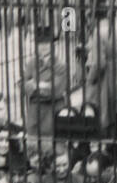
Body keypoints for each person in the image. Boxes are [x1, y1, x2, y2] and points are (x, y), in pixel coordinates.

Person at [22, 25, 80, 155]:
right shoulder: (31, 64)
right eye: (40, 43)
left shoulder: (61, 66)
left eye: (47, 43)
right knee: (34, 150)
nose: (43, 46)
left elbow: (56, 91)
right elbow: (24, 86)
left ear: (53, 45)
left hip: (53, 112)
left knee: (55, 150)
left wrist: (35, 84)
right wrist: (45, 85)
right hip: (34, 113)